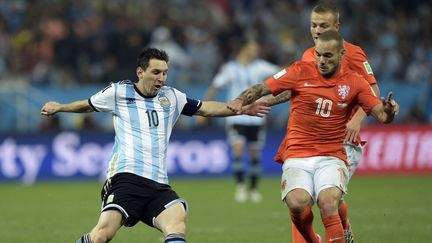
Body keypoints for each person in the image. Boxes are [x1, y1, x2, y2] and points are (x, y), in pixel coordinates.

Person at [40, 48, 270, 243]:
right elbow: (88, 105)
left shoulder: (172, 97)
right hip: (125, 177)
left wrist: (241, 108)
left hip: (158, 183)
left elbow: (205, 108)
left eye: (165, 73)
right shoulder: (119, 92)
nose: (161, 78)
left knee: (177, 221)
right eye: (156, 72)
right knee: (102, 235)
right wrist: (60, 107)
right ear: (141, 72)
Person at [227, 30, 399, 243]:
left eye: (328, 56)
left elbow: (381, 115)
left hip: (332, 156)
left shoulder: (355, 82)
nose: (321, 60)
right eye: (318, 55)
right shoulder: (299, 70)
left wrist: (389, 111)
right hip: (298, 155)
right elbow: (262, 88)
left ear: (341, 54)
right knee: (297, 203)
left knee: (328, 202)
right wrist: (239, 100)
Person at [261, 3, 381, 242]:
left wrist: (357, 120)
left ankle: (341, 227)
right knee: (300, 200)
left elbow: (373, 91)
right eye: (313, 25)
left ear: (337, 27)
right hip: (308, 139)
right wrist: (264, 102)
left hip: (342, 139)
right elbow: (294, 90)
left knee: (327, 200)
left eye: (323, 25)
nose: (317, 30)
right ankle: (338, 230)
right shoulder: (309, 54)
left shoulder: (353, 53)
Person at [198, 36, 279, 203]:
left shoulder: (261, 66)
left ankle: (254, 189)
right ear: (245, 49)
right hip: (236, 116)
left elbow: (281, 71)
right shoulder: (230, 68)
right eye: (253, 47)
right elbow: (215, 85)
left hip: (256, 117)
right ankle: (241, 186)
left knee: (255, 153)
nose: (256, 50)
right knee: (238, 149)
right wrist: (203, 110)